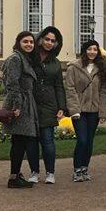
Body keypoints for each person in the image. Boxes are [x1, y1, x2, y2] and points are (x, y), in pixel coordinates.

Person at [64, 39, 106, 182]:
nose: (92, 52)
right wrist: (74, 109)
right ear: (84, 51)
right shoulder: (73, 67)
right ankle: (77, 169)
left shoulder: (101, 68)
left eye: (95, 49)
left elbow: (103, 91)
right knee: (82, 140)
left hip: (94, 110)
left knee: (89, 141)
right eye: (89, 49)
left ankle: (85, 168)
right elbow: (70, 89)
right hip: (80, 110)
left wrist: (103, 112)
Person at [2, 31, 40, 188]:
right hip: (20, 103)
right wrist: (16, 106)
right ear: (18, 42)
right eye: (25, 41)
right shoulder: (16, 59)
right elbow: (12, 84)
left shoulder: (22, 58)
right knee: (19, 141)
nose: (29, 44)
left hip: (25, 102)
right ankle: (13, 178)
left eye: (31, 42)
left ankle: (15, 174)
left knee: (20, 141)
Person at [32, 26, 66, 184]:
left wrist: (61, 107)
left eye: (53, 41)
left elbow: (59, 85)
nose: (49, 43)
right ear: (40, 39)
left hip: (49, 103)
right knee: (31, 141)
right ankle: (34, 171)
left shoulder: (56, 63)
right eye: (47, 39)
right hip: (31, 102)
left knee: (47, 140)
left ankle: (50, 172)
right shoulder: (30, 58)